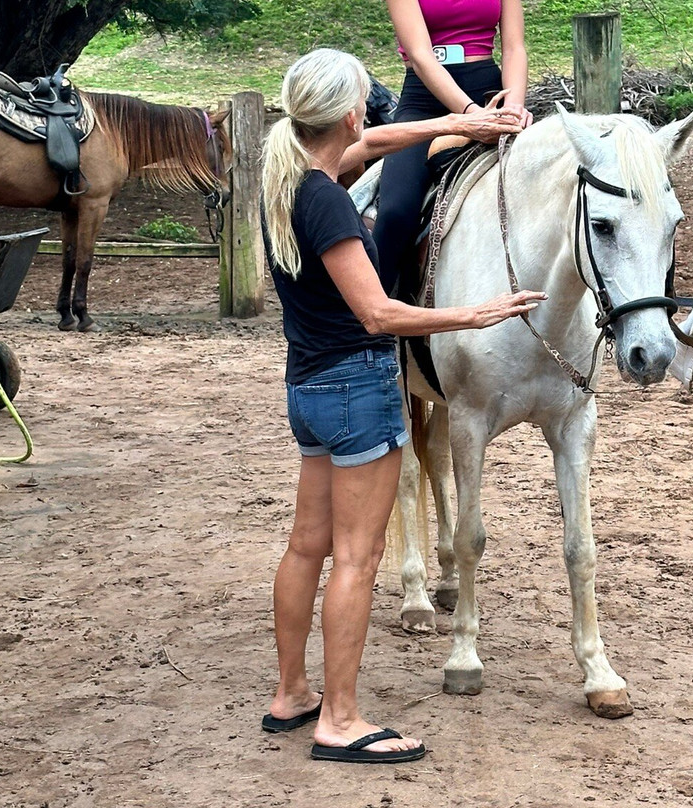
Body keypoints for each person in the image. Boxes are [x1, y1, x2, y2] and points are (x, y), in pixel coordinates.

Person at [258, 48, 545, 765]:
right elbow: (380, 315)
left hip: (309, 386)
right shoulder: (326, 201)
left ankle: (292, 693)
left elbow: (379, 143)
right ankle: (342, 720)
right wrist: (472, 315)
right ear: (350, 111)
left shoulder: (288, 173)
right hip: (357, 386)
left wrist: (452, 125)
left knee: (306, 547)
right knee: (358, 558)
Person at [374, 0, 532, 294]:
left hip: (490, 95)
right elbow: (421, 57)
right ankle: (365, 327)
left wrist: (513, 108)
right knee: (396, 211)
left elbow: (514, 48)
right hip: (425, 100)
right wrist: (472, 116)